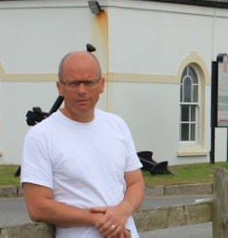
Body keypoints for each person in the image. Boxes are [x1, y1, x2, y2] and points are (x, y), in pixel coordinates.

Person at [21, 51, 144, 238]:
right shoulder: (41, 136)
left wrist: (122, 211)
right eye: (73, 83)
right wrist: (97, 219)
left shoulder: (117, 125)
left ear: (101, 84)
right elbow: (37, 206)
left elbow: (135, 182)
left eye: (88, 82)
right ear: (59, 87)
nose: (81, 90)